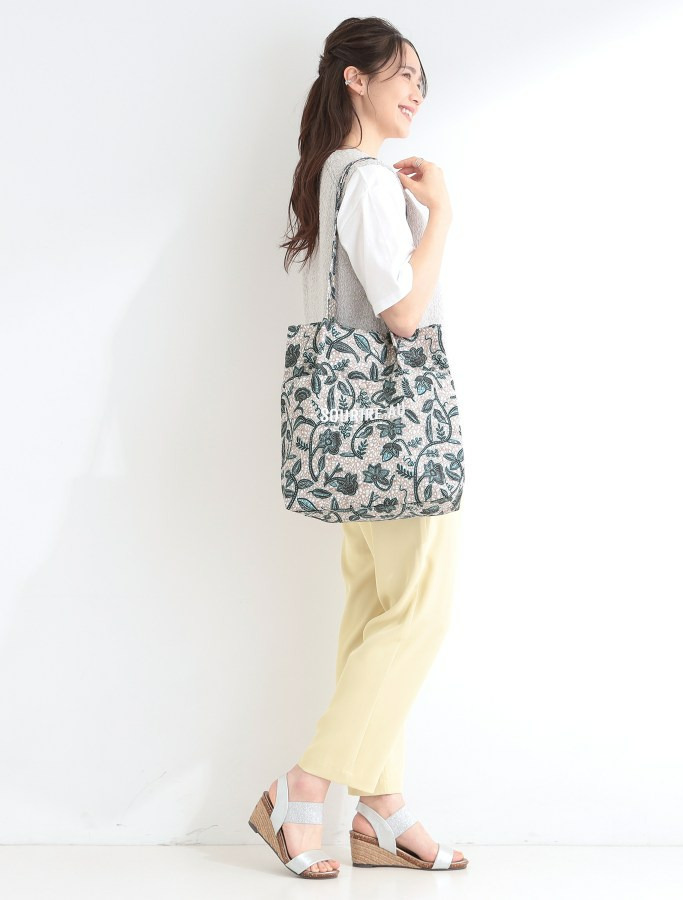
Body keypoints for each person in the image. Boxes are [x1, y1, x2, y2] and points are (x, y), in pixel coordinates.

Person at [248, 17, 467, 878]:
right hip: (398, 437)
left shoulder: (328, 176)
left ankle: (380, 808)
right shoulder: (368, 181)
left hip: (351, 440)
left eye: (422, 80)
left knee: (373, 611)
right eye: (402, 73)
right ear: (354, 77)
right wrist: (442, 214)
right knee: (418, 613)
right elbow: (403, 315)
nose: (416, 91)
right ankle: (302, 787)